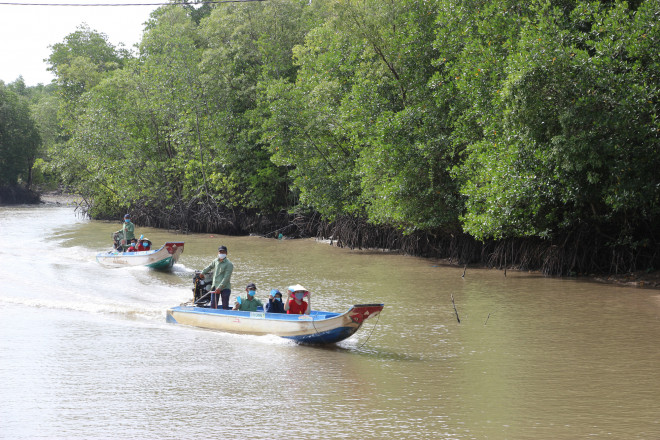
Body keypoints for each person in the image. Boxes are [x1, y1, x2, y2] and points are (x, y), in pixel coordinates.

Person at [199, 245, 233, 309]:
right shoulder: (215, 261)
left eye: (223, 252)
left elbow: (226, 277)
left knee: (225, 306)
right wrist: (202, 272)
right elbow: (210, 267)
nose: (221, 253)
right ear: (218, 253)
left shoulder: (229, 264)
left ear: (226, 253)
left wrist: (220, 287)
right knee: (213, 306)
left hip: (225, 287)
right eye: (220, 252)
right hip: (215, 286)